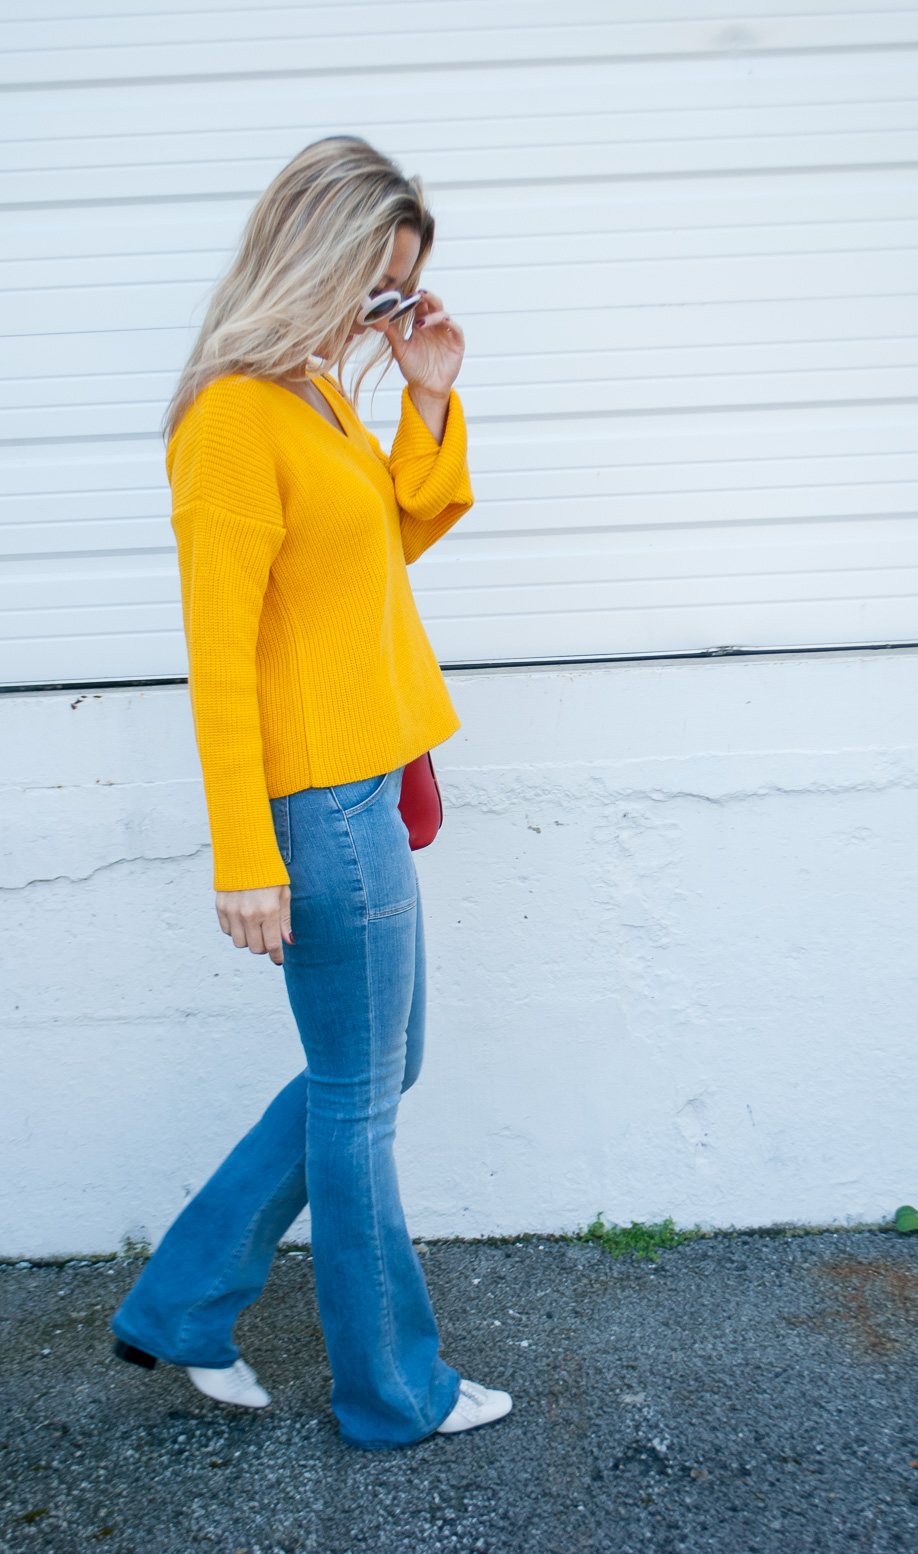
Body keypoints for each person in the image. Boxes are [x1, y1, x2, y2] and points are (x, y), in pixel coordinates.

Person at [109, 136, 511, 1449]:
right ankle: (395, 1388)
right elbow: (218, 661)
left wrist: (428, 396)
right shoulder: (231, 416)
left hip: (366, 779)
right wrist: (245, 858)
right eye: (374, 289)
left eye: (398, 297)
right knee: (359, 1094)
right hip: (318, 808)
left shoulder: (315, 396)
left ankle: (182, 1300)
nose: (381, 316)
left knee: (375, 1069)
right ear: (316, 258)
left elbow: (378, 547)